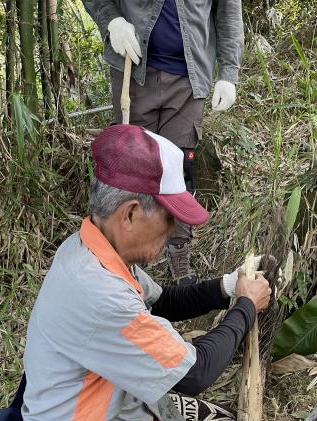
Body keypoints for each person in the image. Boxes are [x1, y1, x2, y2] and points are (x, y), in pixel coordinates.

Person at [22, 124, 270, 421]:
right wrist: (246, 308)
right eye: (170, 218)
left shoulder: (98, 251)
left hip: (112, 409)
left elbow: (165, 301)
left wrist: (228, 287)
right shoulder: (97, 293)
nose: (176, 232)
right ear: (132, 214)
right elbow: (194, 374)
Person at [81, 0, 244, 283]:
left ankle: (178, 252)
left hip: (189, 78)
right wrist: (113, 22)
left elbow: (228, 10)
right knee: (128, 173)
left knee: (180, 170)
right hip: (132, 69)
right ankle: (116, 257)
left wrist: (229, 73)